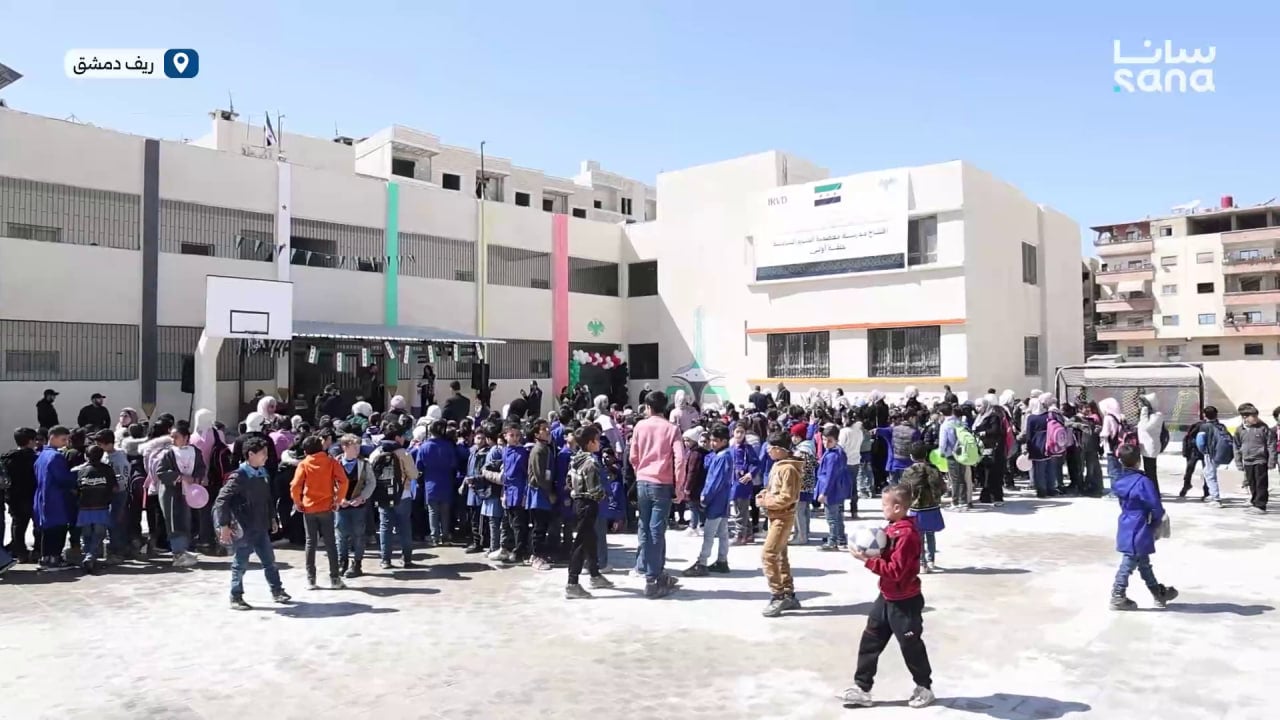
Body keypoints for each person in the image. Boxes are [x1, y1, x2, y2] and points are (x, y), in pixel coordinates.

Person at [842, 484, 935, 710]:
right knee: (870, 640)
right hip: (886, 596)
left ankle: (924, 687)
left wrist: (867, 560)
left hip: (905, 601)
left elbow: (895, 571)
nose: (882, 508)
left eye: (884, 505)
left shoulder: (907, 535)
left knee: (911, 646)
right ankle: (862, 688)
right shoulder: (891, 529)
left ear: (897, 507)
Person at [214, 436, 291, 610]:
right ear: (251, 454)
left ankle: (277, 591)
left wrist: (272, 518)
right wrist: (224, 525)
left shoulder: (263, 474)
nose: (266, 457)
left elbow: (268, 498)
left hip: (261, 526)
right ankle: (236, 596)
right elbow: (221, 500)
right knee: (240, 564)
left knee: (270, 561)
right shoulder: (239, 476)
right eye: (263, 453)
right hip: (245, 527)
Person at [628, 390, 686, 599]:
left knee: (645, 527)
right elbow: (680, 459)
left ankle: (650, 569)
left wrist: (640, 472)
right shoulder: (672, 429)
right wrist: (679, 486)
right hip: (662, 483)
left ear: (648, 407)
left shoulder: (639, 426)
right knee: (656, 530)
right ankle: (652, 579)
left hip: (643, 481)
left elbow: (633, 456)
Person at [1110, 445, 1178, 610]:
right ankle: (1117, 595)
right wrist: (1157, 522)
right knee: (1130, 560)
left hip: (1126, 520)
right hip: (1140, 523)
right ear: (1138, 461)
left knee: (1143, 561)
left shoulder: (1119, 481)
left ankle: (1158, 593)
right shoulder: (1143, 482)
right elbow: (1155, 506)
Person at [563, 425, 617, 598]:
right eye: (597, 440)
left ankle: (595, 574)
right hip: (589, 504)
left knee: (591, 539)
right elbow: (595, 490)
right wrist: (604, 495)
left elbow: (569, 481)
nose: (599, 443)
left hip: (578, 502)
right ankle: (572, 583)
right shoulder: (592, 462)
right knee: (580, 543)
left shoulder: (575, 458)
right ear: (590, 442)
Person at [289, 434, 349, 589]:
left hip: (309, 507)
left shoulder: (304, 464)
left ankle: (311, 579)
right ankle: (335, 579)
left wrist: (297, 502)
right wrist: (338, 500)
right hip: (327, 507)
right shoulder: (331, 462)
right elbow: (343, 481)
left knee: (310, 542)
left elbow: (295, 485)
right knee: (330, 543)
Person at [759, 431, 803, 617]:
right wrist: (765, 494)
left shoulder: (788, 469)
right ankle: (788, 593)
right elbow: (775, 490)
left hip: (782, 517)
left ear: (779, 449)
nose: (768, 451)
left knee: (768, 555)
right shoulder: (778, 465)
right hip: (775, 516)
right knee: (780, 556)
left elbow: (787, 497)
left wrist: (766, 502)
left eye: (770, 448)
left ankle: (777, 595)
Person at [682, 424, 733, 577]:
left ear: (724, 441)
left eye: (716, 440)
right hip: (723, 500)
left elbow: (715, 481)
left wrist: (705, 498)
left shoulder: (722, 457)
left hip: (715, 501)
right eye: (711, 440)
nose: (712, 443)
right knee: (723, 532)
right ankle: (722, 560)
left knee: (709, 534)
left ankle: (702, 562)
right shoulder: (724, 455)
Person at [156, 421, 206, 568]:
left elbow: (201, 468)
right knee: (174, 520)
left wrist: (195, 478)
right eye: (171, 436)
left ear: (185, 437)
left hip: (189, 492)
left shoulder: (195, 452)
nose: (172, 440)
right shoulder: (168, 453)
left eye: (176, 436)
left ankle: (184, 549)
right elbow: (161, 472)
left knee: (187, 520)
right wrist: (180, 476)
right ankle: (177, 553)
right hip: (172, 492)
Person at [371, 424, 421, 569]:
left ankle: (385, 560)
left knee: (385, 527)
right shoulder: (404, 453)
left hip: (382, 495)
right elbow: (413, 474)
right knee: (404, 526)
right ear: (397, 437)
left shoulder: (376, 452)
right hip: (402, 494)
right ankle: (407, 559)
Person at [486, 421, 530, 563]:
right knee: (508, 522)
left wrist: (525, 494)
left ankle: (519, 552)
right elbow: (505, 474)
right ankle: (507, 548)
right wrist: (504, 493)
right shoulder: (505, 451)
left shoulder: (523, 453)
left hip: (519, 490)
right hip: (508, 491)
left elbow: (527, 475)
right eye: (512, 435)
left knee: (518, 524)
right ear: (505, 436)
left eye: (517, 435)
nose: (515, 438)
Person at [35, 426, 77, 570]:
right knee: (58, 528)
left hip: (43, 496)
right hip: (56, 497)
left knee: (47, 529)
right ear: (52, 437)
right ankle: (55, 559)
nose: (65, 443)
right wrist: (75, 476)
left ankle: (45, 558)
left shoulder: (41, 455)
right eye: (63, 439)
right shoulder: (56, 456)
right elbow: (63, 478)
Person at [901, 442, 946, 573]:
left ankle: (922, 563)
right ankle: (931, 560)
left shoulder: (908, 472)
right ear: (926, 454)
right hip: (932, 507)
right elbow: (942, 487)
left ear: (911, 456)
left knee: (918, 537)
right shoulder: (933, 469)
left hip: (915, 509)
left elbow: (903, 490)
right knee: (930, 534)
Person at [335, 434, 376, 578]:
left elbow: (371, 482)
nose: (357, 450)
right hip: (341, 505)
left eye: (358, 447)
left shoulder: (364, 464)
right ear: (344, 447)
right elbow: (329, 483)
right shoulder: (335, 463)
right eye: (354, 447)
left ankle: (357, 563)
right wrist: (338, 498)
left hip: (358, 505)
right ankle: (342, 562)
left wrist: (362, 497)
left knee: (359, 534)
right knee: (341, 535)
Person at [415, 419, 459, 548]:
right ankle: (445, 536)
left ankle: (434, 537)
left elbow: (419, 466)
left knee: (433, 511)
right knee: (445, 511)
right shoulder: (448, 446)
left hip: (430, 482)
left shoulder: (424, 447)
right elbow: (454, 464)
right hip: (446, 482)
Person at [73, 445, 115, 574]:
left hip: (84, 509)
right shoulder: (107, 469)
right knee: (99, 534)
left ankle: (88, 555)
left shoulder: (80, 470)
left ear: (86, 456)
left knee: (86, 535)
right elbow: (115, 488)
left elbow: (75, 490)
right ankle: (90, 556)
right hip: (101, 508)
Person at [3, 428, 40, 563]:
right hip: (33, 495)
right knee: (37, 525)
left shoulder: (8, 458)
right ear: (30, 441)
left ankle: (20, 553)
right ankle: (37, 551)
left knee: (18, 525)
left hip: (15, 497)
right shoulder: (36, 458)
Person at [524, 419, 556, 571]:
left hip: (543, 491)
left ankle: (538, 554)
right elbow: (539, 476)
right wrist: (549, 493)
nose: (548, 431)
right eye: (544, 429)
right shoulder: (538, 450)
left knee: (542, 525)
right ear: (536, 434)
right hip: (539, 493)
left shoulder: (546, 449)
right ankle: (536, 557)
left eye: (548, 428)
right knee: (539, 527)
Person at [1232, 403, 1274, 515]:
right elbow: (1236, 446)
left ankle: (1261, 505)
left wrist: (1271, 460)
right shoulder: (1239, 430)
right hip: (1247, 460)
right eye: (1253, 416)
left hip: (1260, 460)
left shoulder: (1263, 428)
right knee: (1252, 483)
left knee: (1261, 483)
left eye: (1256, 416)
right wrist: (1238, 462)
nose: (1256, 418)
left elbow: (1271, 444)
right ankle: (1255, 502)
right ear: (1245, 417)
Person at [816, 425, 851, 551]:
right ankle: (840, 538)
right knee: (838, 515)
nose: (826, 443)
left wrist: (824, 493)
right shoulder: (838, 452)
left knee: (831, 517)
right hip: (838, 488)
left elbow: (830, 476)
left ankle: (832, 541)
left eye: (829, 440)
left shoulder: (832, 456)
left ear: (836, 440)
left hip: (831, 490)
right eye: (824, 440)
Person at [1193, 406, 1231, 508]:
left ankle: (1215, 498)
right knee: (1208, 472)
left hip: (1210, 453)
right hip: (1220, 452)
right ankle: (1213, 494)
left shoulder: (1204, 427)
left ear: (1204, 415)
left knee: (1210, 475)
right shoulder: (1221, 426)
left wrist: (1204, 452)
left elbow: (1200, 442)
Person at [729, 424, 759, 545]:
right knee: (739, 508)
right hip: (733, 482)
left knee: (741, 510)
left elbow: (756, 463)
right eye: (737, 432)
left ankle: (740, 535)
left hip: (743, 482)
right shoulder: (731, 448)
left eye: (742, 432)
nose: (739, 434)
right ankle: (749, 533)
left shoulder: (747, 448)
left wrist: (750, 474)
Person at [681, 427, 709, 536]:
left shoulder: (695, 454)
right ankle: (702, 525)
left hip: (695, 484)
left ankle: (693, 526)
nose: (686, 443)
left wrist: (687, 487)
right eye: (684, 440)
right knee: (698, 506)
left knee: (693, 506)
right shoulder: (694, 452)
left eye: (688, 440)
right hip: (699, 484)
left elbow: (692, 472)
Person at [1180, 414, 1206, 500]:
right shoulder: (1205, 426)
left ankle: (1186, 485)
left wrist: (1185, 452)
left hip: (1194, 451)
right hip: (1201, 451)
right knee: (1207, 472)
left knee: (1189, 469)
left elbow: (1187, 438)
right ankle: (1206, 491)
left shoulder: (1196, 426)